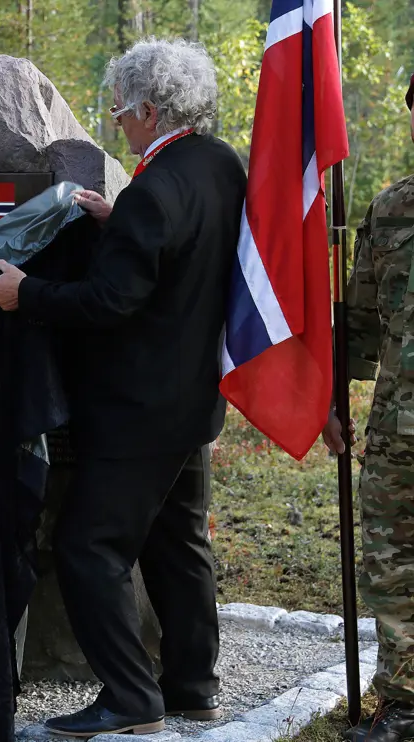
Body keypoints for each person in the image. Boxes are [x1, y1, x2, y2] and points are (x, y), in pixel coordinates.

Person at [0, 37, 246, 737]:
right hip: (193, 398)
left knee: (88, 548)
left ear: (152, 110)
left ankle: (131, 698)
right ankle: (193, 684)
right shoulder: (218, 164)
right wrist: (118, 221)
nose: (114, 119)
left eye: (122, 109)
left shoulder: (153, 191)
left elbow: (108, 303)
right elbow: (175, 254)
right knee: (177, 540)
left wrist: (27, 291)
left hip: (138, 410)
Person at [320, 74, 414, 742]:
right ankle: (405, 702)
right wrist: (335, 399)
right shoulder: (391, 211)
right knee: (391, 564)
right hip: (396, 434)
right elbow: (356, 324)